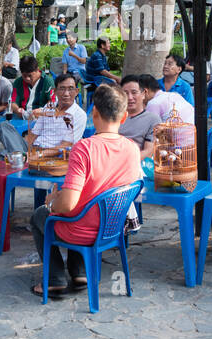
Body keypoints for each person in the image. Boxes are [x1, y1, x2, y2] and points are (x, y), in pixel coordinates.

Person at [28, 82, 141, 300]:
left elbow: (68, 204)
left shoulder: (85, 148)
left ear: (94, 113)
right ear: (124, 117)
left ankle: (54, 279)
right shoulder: (131, 148)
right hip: (112, 227)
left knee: (41, 215)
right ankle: (79, 273)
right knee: (81, 206)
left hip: (80, 230)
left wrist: (51, 202)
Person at [0, 73, 86, 233]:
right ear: (55, 91)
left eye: (70, 89)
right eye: (62, 89)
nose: (66, 93)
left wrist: (35, 155)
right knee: (3, 131)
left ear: (76, 91)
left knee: (5, 161)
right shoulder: (49, 107)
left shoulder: (78, 115)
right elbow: (33, 135)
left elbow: (65, 146)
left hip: (55, 160)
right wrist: (26, 151)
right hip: (33, 154)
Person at [118, 74, 158, 159]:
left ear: (143, 94)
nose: (130, 97)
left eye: (134, 92)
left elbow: (148, 152)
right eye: (125, 93)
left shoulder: (153, 119)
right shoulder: (113, 116)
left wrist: (122, 161)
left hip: (135, 164)